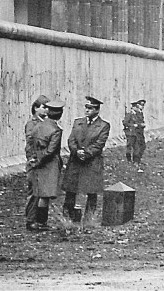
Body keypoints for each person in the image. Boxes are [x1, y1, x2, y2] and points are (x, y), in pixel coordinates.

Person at [62, 96, 111, 222]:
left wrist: (86, 153)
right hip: (75, 161)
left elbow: (100, 144)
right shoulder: (78, 122)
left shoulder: (103, 126)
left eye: (90, 108)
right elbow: (71, 140)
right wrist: (76, 151)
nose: (87, 110)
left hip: (92, 162)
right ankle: (68, 217)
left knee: (91, 191)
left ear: (97, 110)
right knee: (71, 189)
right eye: (86, 107)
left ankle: (89, 219)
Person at [25, 99, 65, 231]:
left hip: (35, 163)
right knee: (45, 195)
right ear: (60, 114)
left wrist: (33, 159)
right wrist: (40, 160)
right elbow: (51, 150)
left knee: (36, 192)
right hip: (49, 165)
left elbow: (29, 144)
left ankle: (33, 220)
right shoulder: (56, 130)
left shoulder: (37, 126)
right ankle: (41, 222)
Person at [24, 94, 49, 230]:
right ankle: (31, 220)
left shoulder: (45, 123)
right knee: (34, 192)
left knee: (42, 192)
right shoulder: (32, 124)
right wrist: (32, 159)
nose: (46, 111)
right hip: (35, 162)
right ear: (36, 108)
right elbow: (30, 143)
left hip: (43, 162)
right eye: (44, 107)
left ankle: (40, 221)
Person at [123, 99, 146, 166]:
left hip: (136, 133)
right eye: (136, 106)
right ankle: (129, 160)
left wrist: (141, 125)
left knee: (137, 147)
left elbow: (139, 122)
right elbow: (125, 123)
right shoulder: (129, 114)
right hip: (130, 133)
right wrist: (133, 125)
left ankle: (136, 161)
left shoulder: (138, 114)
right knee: (129, 147)